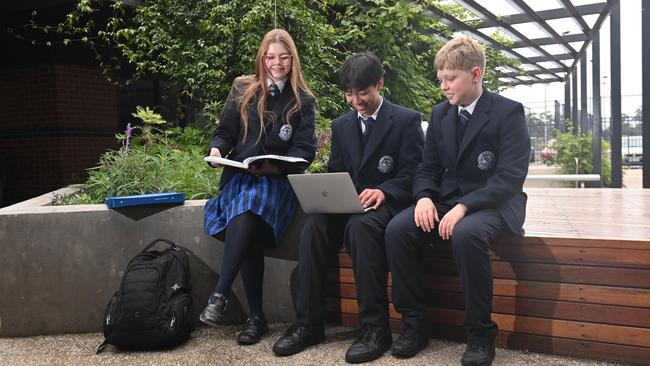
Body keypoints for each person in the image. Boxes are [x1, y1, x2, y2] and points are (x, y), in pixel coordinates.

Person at [384, 36, 530, 365]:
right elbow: (428, 168)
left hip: (495, 203)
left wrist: (465, 207)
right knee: (397, 229)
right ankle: (415, 325)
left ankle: (480, 335)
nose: (444, 87)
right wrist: (422, 198)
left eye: (451, 79)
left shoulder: (508, 113)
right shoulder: (440, 115)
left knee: (466, 234)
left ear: (475, 74)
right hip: (449, 201)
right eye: (441, 80)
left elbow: (509, 177)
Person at [272, 52, 424, 364]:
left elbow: (416, 174)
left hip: (386, 207)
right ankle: (308, 324)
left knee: (360, 227)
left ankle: (375, 328)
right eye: (350, 94)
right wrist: (329, 194)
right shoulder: (341, 126)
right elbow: (339, 171)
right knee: (314, 226)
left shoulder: (406, 121)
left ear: (379, 84)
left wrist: (384, 190)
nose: (356, 100)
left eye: (363, 92)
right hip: (349, 204)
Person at [200, 28, 317, 345]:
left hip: (277, 181)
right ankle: (254, 318)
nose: (276, 63)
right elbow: (225, 133)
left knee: (250, 206)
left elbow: (304, 152)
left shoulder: (303, 100)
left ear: (292, 59)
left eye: (283, 57)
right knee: (246, 214)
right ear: (261, 59)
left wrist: (275, 166)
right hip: (239, 176)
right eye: (270, 57)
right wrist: (216, 152)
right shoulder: (242, 88)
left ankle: (224, 297)